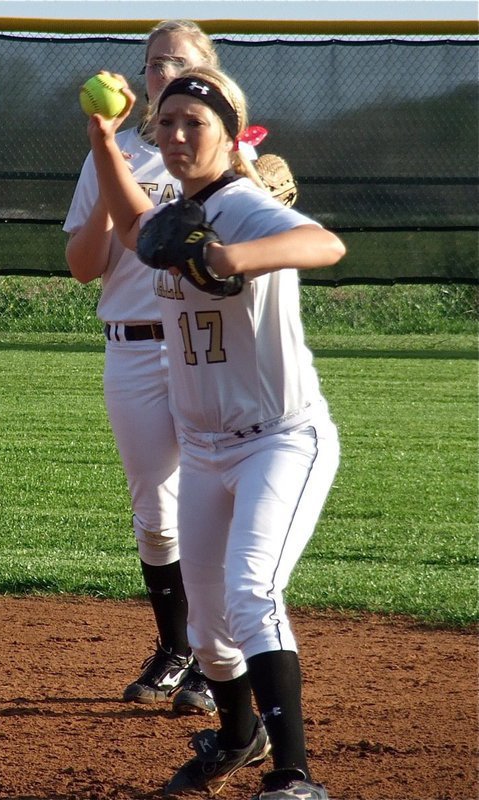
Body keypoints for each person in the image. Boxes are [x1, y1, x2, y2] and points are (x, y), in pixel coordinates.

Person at [83, 63, 346, 800]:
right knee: (205, 631)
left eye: (191, 123)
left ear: (231, 139)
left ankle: (293, 778)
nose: (173, 135)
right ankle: (238, 735)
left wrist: (227, 258)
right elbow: (136, 227)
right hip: (203, 451)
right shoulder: (174, 212)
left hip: (278, 440)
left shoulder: (245, 204)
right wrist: (104, 139)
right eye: (163, 123)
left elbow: (324, 245)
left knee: (251, 590)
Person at [64, 20, 221, 716]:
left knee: (211, 505)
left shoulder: (220, 158)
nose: (161, 74)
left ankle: (218, 659)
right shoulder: (115, 154)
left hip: (202, 346)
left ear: (207, 76)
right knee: (155, 515)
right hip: (130, 349)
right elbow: (81, 267)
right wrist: (112, 169)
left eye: (177, 63)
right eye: (153, 64)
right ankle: (175, 648)